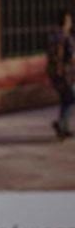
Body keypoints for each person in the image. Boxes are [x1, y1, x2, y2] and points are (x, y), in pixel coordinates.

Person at [50, 10, 75, 140]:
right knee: (71, 99)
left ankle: (64, 129)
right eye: (70, 20)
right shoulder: (67, 37)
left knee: (66, 100)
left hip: (55, 74)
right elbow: (72, 57)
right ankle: (60, 124)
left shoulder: (53, 36)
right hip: (66, 74)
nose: (71, 23)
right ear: (66, 22)